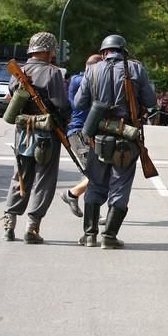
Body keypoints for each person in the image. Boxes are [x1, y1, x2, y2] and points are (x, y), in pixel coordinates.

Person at [74, 35, 157, 249]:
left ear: (104, 52)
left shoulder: (92, 70)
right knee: (120, 186)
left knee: (95, 183)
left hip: (98, 136)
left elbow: (79, 103)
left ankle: (90, 235)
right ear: (123, 51)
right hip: (127, 137)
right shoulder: (136, 69)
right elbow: (150, 101)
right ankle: (109, 237)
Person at [1, 32, 71, 243]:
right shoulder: (53, 73)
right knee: (44, 180)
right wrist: (67, 120)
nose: (53, 55)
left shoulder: (18, 71)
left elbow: (12, 98)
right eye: (52, 51)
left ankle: (9, 222)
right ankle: (32, 227)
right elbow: (61, 104)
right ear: (47, 51)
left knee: (20, 176)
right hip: (47, 134)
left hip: (23, 133)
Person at [59, 54, 103, 218]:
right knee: (96, 174)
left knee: (98, 173)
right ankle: (73, 196)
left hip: (88, 132)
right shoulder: (80, 80)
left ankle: (73, 195)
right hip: (79, 132)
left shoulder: (85, 79)